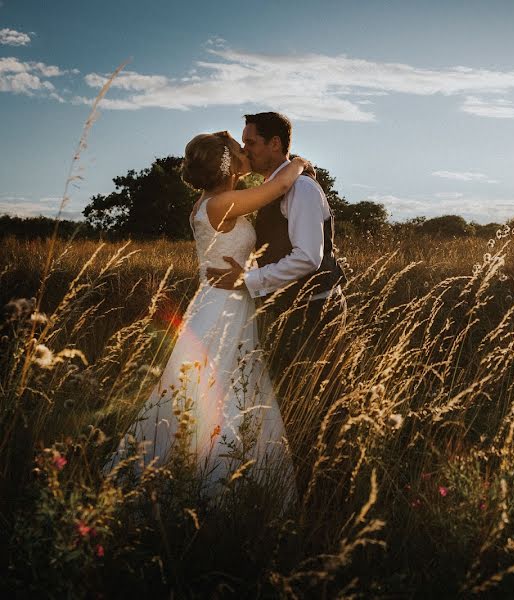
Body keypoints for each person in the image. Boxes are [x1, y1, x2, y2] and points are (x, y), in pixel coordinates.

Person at [107, 131, 309, 503]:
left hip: (214, 301)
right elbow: (281, 185)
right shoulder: (223, 204)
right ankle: (215, 488)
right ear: (229, 165)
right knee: (223, 388)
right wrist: (298, 163)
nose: (246, 153)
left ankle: (198, 474)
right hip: (224, 305)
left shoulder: (206, 202)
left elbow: (249, 185)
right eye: (239, 152)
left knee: (209, 386)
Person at [206, 112, 346, 396]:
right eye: (242, 143)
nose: (245, 150)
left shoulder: (302, 188)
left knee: (321, 399)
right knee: (289, 397)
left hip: (314, 312)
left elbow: (308, 257)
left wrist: (247, 280)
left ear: (275, 143)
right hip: (291, 311)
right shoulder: (275, 187)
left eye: (251, 142)